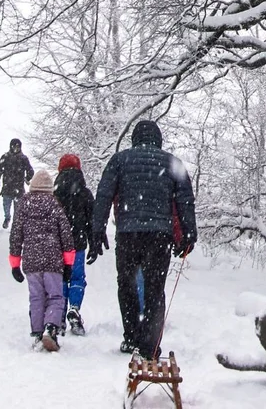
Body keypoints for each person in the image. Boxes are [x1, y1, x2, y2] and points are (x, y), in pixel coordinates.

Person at [90, 120, 197, 359]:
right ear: (158, 139)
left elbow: (104, 194)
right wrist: (189, 234)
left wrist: (97, 230)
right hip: (160, 235)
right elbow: (185, 200)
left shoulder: (120, 160)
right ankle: (149, 346)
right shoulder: (172, 162)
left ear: (135, 139)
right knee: (154, 290)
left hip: (128, 234)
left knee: (127, 285)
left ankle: (131, 338)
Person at [9, 170, 75, 352]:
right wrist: (69, 262)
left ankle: (37, 332)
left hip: (31, 261)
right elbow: (66, 236)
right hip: (53, 260)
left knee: (36, 297)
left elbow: (16, 235)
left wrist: (15, 263)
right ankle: (51, 327)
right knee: (55, 296)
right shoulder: (55, 205)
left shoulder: (24, 204)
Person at [54, 154, 94, 336]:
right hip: (78, 243)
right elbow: (93, 220)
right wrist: (94, 241)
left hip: (58, 244)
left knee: (61, 278)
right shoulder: (85, 193)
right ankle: (75, 308)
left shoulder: (54, 193)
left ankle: (60, 313)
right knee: (77, 278)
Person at [0, 138, 35, 229]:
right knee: (6, 206)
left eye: (18, 146)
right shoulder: (6, 157)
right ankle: (7, 218)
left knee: (17, 210)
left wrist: (27, 178)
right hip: (9, 187)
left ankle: (15, 224)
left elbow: (31, 171)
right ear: (10, 146)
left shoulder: (23, 158)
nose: (16, 148)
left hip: (17, 189)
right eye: (14, 146)